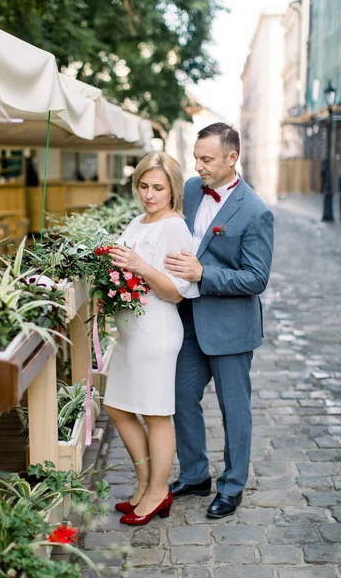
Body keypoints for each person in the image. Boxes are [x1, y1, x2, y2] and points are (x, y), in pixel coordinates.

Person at [164, 123, 274, 519]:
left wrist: (202, 274)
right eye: (196, 157)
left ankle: (232, 486)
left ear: (232, 158)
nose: (198, 166)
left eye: (206, 159)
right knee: (180, 397)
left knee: (234, 410)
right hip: (188, 319)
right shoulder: (191, 190)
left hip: (230, 328)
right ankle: (194, 475)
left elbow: (256, 278)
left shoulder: (256, 211)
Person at [105, 152, 199, 526]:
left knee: (156, 414)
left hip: (156, 330)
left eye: (158, 187)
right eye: (143, 186)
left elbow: (176, 292)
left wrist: (141, 267)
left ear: (173, 189)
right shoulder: (138, 220)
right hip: (131, 331)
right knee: (117, 406)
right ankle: (145, 485)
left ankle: (159, 491)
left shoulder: (174, 227)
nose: (149, 194)